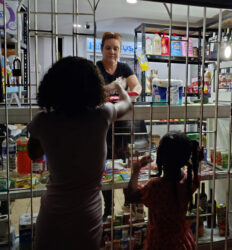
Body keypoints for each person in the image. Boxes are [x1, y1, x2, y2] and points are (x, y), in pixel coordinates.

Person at [27, 56, 132, 250]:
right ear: (93, 87)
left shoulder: (43, 121)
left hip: (52, 218)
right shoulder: (103, 115)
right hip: (87, 218)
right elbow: (127, 104)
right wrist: (119, 88)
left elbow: (34, 154)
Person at [96, 32, 148, 220]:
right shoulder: (96, 68)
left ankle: (130, 202)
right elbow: (95, 91)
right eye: (108, 48)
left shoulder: (125, 67)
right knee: (106, 164)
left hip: (124, 122)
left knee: (127, 161)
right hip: (104, 123)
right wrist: (114, 87)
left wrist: (129, 91)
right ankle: (108, 208)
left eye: (116, 48)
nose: (112, 52)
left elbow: (137, 87)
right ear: (102, 49)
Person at [124, 131, 202, 250]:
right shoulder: (189, 180)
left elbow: (130, 195)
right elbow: (194, 172)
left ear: (160, 157)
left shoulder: (155, 187)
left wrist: (137, 168)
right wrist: (197, 160)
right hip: (183, 242)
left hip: (159, 243)